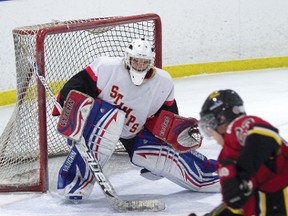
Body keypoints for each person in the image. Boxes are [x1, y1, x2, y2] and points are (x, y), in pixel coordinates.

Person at [53, 38, 219, 201]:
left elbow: (167, 118)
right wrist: (73, 117)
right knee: (110, 122)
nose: (139, 66)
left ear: (151, 63)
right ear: (127, 58)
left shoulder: (163, 82)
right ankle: (74, 182)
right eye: (135, 61)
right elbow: (72, 90)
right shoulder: (105, 67)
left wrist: (170, 137)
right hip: (100, 120)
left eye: (144, 62)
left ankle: (212, 175)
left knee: (156, 156)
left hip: (134, 129)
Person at [198, 89, 288, 216]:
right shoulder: (227, 156)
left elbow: (265, 137)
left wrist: (241, 173)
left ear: (222, 120)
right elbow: (236, 205)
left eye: (211, 125)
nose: (211, 133)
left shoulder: (238, 126)